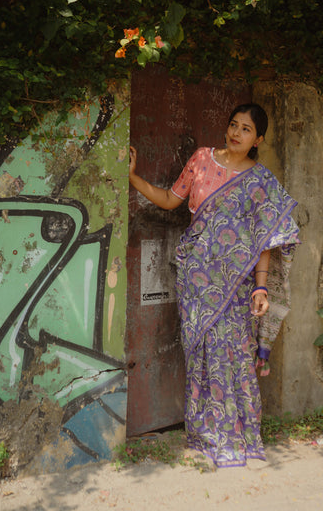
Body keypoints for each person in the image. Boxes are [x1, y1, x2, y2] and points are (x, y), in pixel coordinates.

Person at [129, 103, 300, 468]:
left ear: (259, 139)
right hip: (196, 278)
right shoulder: (202, 159)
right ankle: (202, 438)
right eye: (233, 125)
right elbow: (170, 199)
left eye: (246, 129)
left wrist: (261, 287)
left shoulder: (261, 181)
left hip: (236, 284)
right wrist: (133, 178)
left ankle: (241, 436)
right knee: (201, 356)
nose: (236, 133)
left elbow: (264, 240)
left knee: (235, 355)